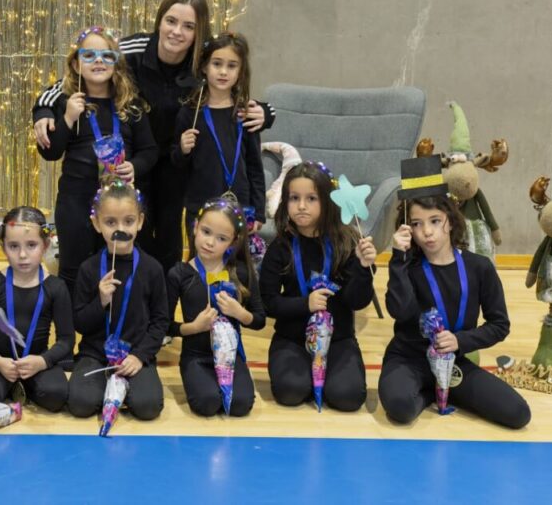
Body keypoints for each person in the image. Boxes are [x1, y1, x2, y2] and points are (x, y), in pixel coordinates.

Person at [32, 0, 274, 272]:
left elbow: (233, 85)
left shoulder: (204, 59)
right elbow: (80, 76)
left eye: (188, 26)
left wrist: (266, 113)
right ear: (159, 21)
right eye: (171, 21)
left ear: (200, 32)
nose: (177, 32)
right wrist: (45, 111)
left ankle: (162, 311)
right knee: (135, 241)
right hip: (136, 165)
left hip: (177, 165)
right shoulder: (132, 48)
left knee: (169, 242)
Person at [378, 158, 530, 428]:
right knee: (400, 409)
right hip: (408, 359)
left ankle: (446, 387)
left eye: (435, 221)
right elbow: (399, 311)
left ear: (450, 219)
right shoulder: (408, 266)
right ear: (408, 228)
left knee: (518, 414)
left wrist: (461, 341)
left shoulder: (479, 267)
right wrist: (397, 260)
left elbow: (499, 325)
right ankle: (430, 394)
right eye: (416, 224)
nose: (427, 232)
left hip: (453, 359)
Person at [36, 26, 157, 293]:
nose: (98, 61)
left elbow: (150, 151)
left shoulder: (130, 105)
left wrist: (134, 166)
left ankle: (111, 324)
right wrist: (67, 118)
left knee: (117, 265)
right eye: (89, 55)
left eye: (106, 55)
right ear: (76, 65)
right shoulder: (66, 102)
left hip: (118, 202)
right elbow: (50, 152)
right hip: (75, 200)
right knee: (72, 267)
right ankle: (70, 330)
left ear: (116, 63)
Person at [260, 162, 377, 411]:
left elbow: (357, 301)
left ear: (327, 201)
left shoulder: (347, 244)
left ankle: (328, 377)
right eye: (294, 198)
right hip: (292, 339)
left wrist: (363, 268)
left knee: (348, 397)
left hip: (338, 340)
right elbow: (268, 302)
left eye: (311, 198)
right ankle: (305, 375)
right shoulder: (280, 248)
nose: (301, 206)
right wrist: (306, 304)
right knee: (290, 392)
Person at [67, 181, 169, 420]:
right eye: (110, 222)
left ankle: (121, 387)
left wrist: (140, 356)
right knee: (80, 405)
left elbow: (160, 321)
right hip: (95, 354)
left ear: (141, 222)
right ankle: (106, 385)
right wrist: (100, 301)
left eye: (128, 221)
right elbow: (80, 322)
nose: (120, 229)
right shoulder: (88, 268)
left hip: (135, 355)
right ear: (96, 223)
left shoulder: (152, 269)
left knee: (148, 407)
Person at [0, 206, 72, 412]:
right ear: (3, 247)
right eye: (14, 246)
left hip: (36, 361)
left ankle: (19, 387)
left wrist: (42, 361)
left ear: (45, 245)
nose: (22, 254)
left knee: (56, 397)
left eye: (31, 245)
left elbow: (66, 339)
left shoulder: (56, 287)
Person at [166, 197, 265, 416]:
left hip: (231, 356)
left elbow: (260, 320)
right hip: (196, 356)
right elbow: (165, 326)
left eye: (221, 238)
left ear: (233, 242)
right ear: (195, 228)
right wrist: (194, 327)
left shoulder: (241, 272)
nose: (210, 242)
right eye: (206, 232)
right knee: (207, 403)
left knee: (240, 405)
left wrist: (240, 313)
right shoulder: (179, 274)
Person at [172, 32, 266, 252]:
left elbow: (254, 166)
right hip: (200, 208)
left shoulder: (245, 113)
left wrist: (259, 211)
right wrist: (183, 150)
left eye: (232, 66)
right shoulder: (189, 113)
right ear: (204, 67)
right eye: (217, 64)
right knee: (201, 265)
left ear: (241, 72)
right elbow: (176, 164)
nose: (223, 72)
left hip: (240, 208)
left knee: (237, 268)